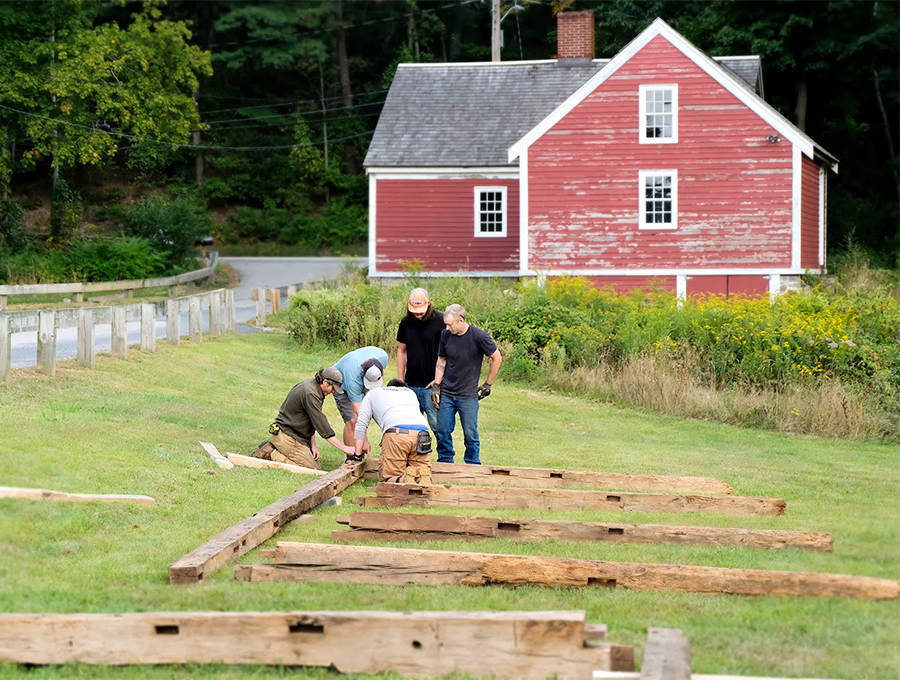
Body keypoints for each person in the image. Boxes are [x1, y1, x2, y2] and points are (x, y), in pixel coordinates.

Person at [432, 304, 502, 465]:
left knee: (470, 434)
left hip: (468, 395)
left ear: (461, 321)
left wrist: (488, 384)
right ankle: (445, 461)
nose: (447, 328)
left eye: (450, 324)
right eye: (446, 324)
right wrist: (436, 385)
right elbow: (442, 360)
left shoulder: (479, 336)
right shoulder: (445, 335)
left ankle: (472, 464)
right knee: (442, 431)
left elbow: (497, 357)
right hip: (447, 393)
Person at [253, 367, 355, 469]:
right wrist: (344, 448)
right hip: (287, 436)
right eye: (333, 388)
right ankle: (270, 453)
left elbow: (311, 419)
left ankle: (278, 449)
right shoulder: (310, 393)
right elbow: (322, 426)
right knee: (311, 469)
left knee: (315, 465)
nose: (333, 392)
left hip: (296, 436)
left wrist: (312, 445)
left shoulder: (314, 388)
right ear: (325, 382)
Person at [396, 287, 453, 459]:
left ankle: (446, 459)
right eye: (415, 311)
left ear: (429, 304)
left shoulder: (442, 321)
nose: (418, 315)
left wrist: (439, 381)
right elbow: (401, 351)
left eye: (421, 311)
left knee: (437, 425)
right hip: (411, 384)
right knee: (412, 426)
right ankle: (414, 459)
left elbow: (450, 354)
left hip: (432, 385)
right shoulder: (406, 323)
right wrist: (400, 379)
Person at [349, 379, 432, 484]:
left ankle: (401, 479)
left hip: (397, 433)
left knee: (389, 477)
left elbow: (361, 425)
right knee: (419, 469)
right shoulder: (410, 393)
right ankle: (422, 476)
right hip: (422, 433)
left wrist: (357, 455)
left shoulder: (373, 393)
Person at [332, 345, 390, 451]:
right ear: (363, 373)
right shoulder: (352, 380)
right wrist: (364, 440)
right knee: (352, 421)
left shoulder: (383, 357)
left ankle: (357, 452)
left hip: (359, 378)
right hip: (340, 384)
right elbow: (359, 413)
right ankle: (352, 456)